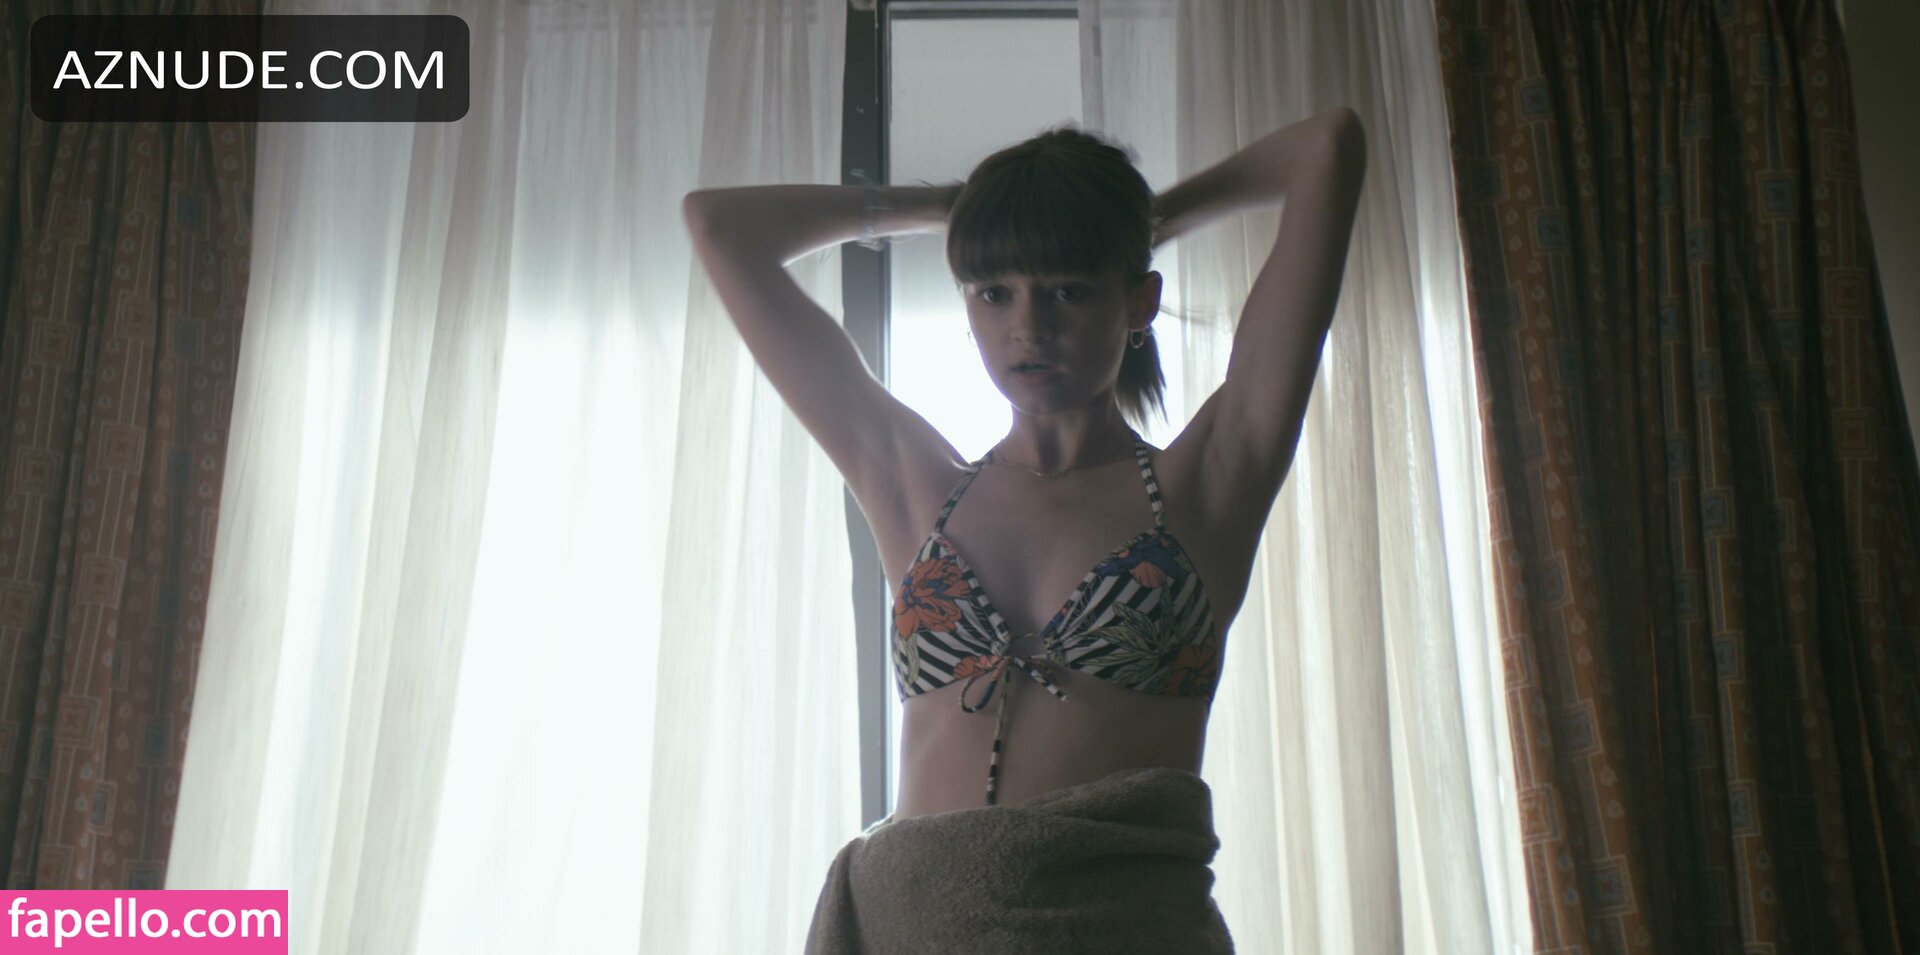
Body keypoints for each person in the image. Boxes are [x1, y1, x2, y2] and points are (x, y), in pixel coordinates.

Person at [682, 106, 1366, 954]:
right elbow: (718, 225)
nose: (1027, 327)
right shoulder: (914, 487)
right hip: (910, 926)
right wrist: (948, 208)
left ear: (1139, 300)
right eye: (994, 291)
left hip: (1120, 931)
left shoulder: (1209, 481)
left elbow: (1325, 149)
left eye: (1068, 288)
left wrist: (1140, 222)